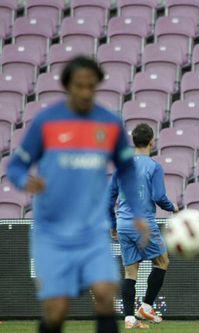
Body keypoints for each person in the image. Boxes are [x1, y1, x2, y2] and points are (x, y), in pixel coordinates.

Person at [7, 56, 149, 333]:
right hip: (51, 232)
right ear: (67, 86)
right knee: (57, 311)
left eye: (91, 86)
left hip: (92, 231)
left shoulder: (109, 124)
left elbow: (128, 171)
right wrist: (26, 180)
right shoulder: (47, 122)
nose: (85, 92)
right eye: (79, 86)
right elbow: (15, 166)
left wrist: (138, 212)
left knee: (106, 293)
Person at [107, 123, 179, 329]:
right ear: (151, 142)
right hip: (143, 224)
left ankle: (129, 318)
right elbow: (158, 196)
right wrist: (173, 207)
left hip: (123, 224)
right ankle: (146, 306)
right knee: (162, 261)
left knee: (130, 273)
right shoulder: (154, 166)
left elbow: (108, 199)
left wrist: (113, 224)